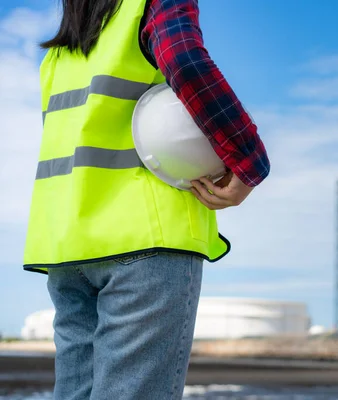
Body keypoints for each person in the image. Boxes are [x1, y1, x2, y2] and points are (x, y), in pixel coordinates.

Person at [22, 0, 270, 398]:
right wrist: (248, 157)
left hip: (66, 248)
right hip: (145, 245)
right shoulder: (151, 6)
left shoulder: (59, 53)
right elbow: (185, 61)